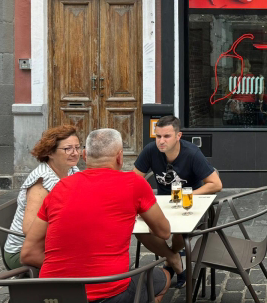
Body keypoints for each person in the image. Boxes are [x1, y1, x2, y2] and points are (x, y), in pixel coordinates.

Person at [21, 128, 172, 303]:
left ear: (84, 155)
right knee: (163, 277)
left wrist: (73, 274)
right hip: (111, 292)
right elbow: (164, 232)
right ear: (120, 157)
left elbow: (28, 253)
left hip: (55, 295)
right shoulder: (134, 184)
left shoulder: (59, 188)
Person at [133, 115, 222, 285]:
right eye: (158, 136)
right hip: (163, 204)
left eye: (166, 136)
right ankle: (174, 259)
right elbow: (134, 181)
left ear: (178, 136)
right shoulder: (150, 151)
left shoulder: (192, 153)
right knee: (139, 230)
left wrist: (187, 195)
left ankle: (169, 259)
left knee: (182, 231)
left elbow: (216, 184)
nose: (161, 141)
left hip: (189, 206)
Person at [3, 125, 81, 270]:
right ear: (50, 152)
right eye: (68, 149)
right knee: (83, 267)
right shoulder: (42, 183)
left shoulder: (72, 170)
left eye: (77, 147)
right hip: (24, 251)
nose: (75, 153)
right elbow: (29, 229)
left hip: (52, 243)